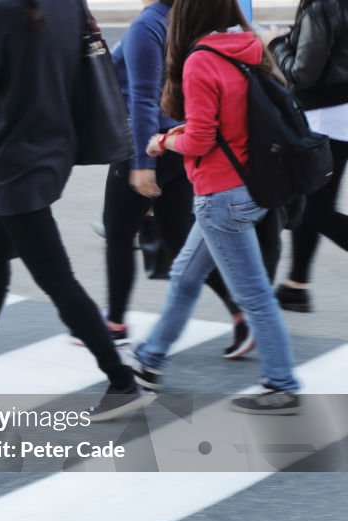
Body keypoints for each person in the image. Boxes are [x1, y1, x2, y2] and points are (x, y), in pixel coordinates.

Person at [0, 0, 149, 421]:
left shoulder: (1, 10)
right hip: (54, 146)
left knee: (56, 279)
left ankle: (121, 381)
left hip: (16, 158)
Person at [124, 0, 301, 415]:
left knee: (254, 295)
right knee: (186, 276)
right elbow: (229, 118)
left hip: (222, 195)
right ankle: (150, 358)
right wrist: (184, 131)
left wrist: (162, 142)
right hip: (249, 186)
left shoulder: (199, 60)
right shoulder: (245, 44)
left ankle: (282, 382)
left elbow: (202, 140)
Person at [102, 0, 255, 359]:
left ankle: (115, 325)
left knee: (119, 232)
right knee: (181, 236)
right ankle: (242, 314)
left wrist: (142, 162)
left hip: (148, 144)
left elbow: (142, 100)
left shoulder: (149, 24)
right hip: (181, 142)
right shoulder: (187, 19)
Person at [265, 0, 348, 313]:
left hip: (324, 117)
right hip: (338, 113)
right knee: (313, 202)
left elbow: (302, 74)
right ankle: (296, 285)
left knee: (314, 210)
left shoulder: (321, 6)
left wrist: (274, 45)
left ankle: (296, 286)